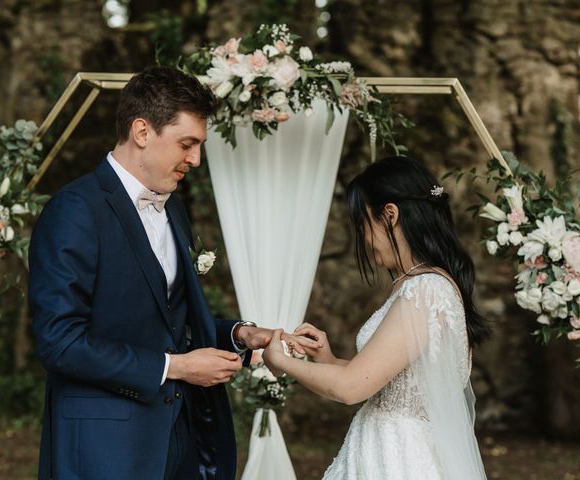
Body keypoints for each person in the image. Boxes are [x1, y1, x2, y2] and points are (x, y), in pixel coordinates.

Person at [28, 66, 300, 480]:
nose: (195, 159)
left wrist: (241, 335)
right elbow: (60, 343)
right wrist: (176, 368)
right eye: (186, 144)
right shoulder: (75, 211)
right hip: (105, 448)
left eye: (199, 145)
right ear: (142, 131)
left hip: (179, 439)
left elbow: (166, 321)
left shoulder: (172, 207)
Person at [263, 155, 491, 479]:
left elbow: (351, 388)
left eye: (363, 224)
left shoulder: (425, 290)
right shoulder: (420, 285)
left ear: (390, 215)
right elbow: (388, 384)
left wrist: (281, 362)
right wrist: (326, 358)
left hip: (400, 459)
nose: (366, 240)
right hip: (385, 449)